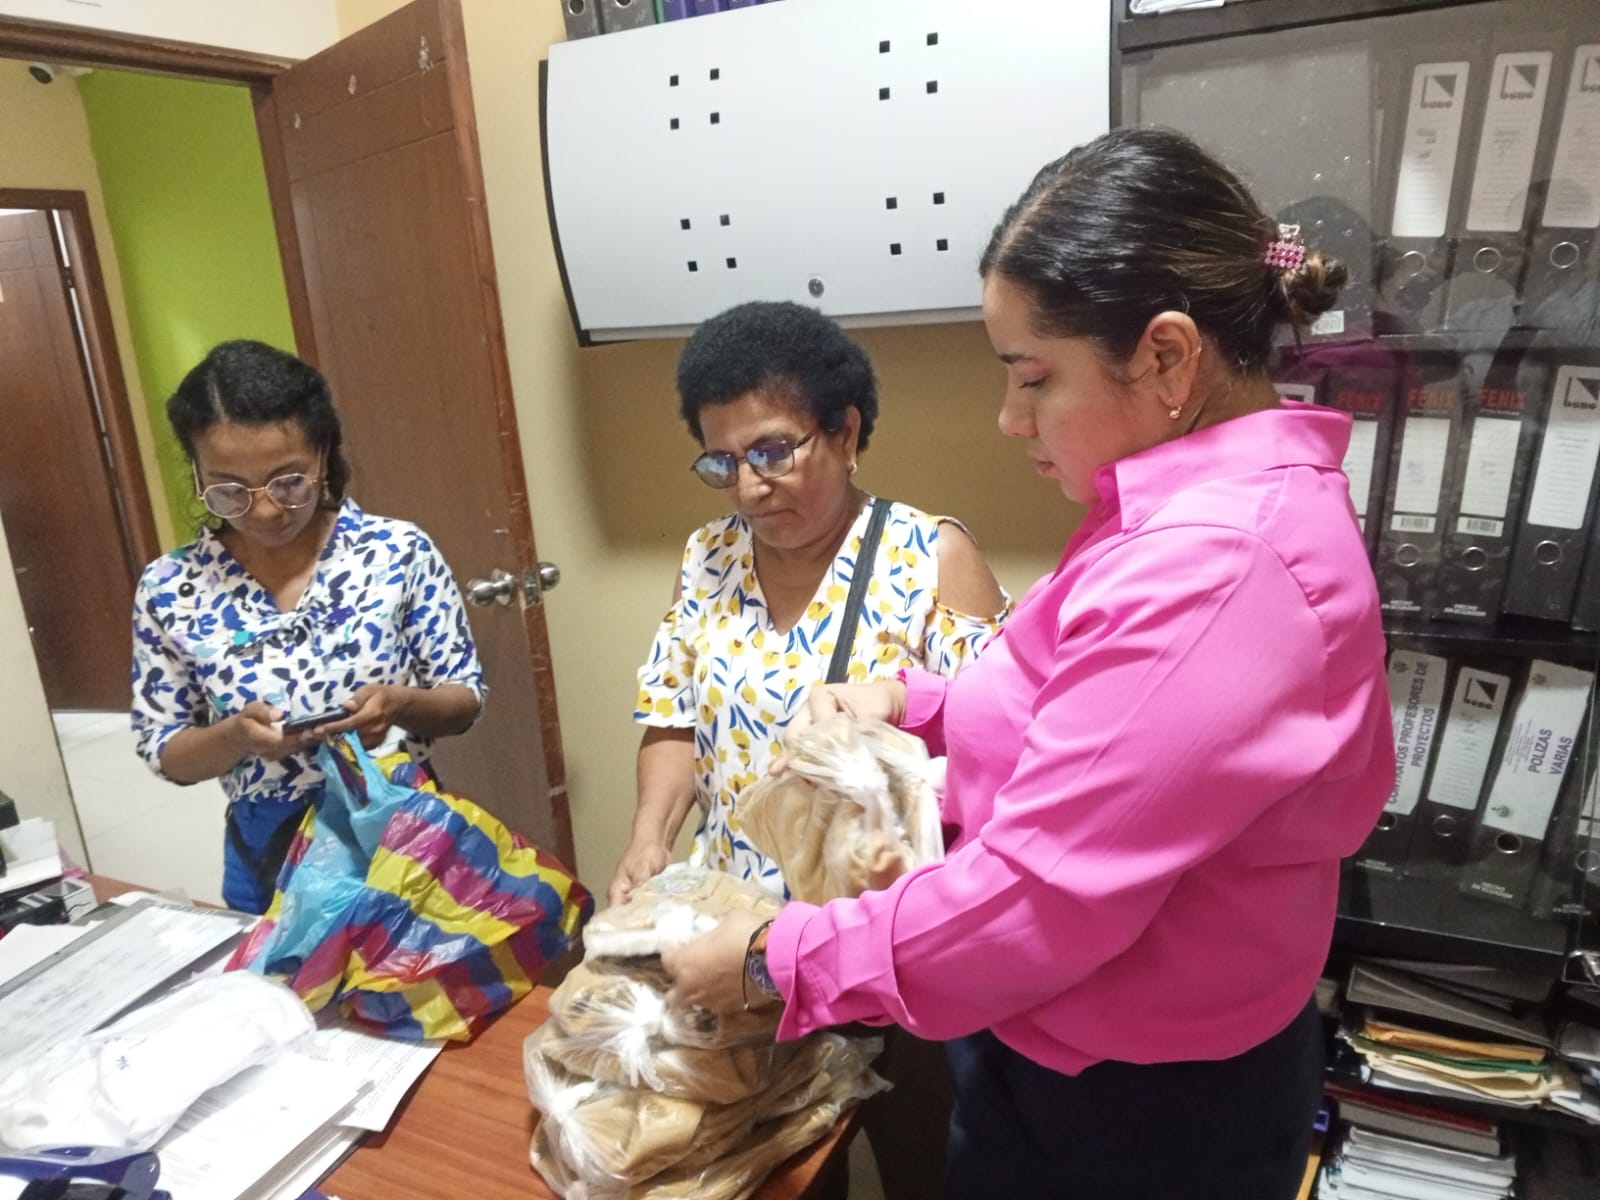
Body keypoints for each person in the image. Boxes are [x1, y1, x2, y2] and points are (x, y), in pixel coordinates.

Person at [662, 128, 1397, 1199]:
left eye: (1033, 378)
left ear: (1167, 357)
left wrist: (770, 959)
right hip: (1058, 1054)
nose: (1010, 421)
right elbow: (1082, 697)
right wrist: (912, 700)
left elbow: (1034, 902)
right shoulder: (1165, 509)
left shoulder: (1215, 568)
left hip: (1134, 1113)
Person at [613, 300, 1010, 1200]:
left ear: (846, 432)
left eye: (773, 451)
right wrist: (649, 837)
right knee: (781, 1167)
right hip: (738, 938)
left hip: (888, 942)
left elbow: (1000, 746)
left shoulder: (929, 555)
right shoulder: (708, 559)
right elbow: (674, 715)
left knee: (920, 1159)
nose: (750, 487)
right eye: (723, 462)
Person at [131, 340, 484, 915]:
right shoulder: (170, 587)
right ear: (196, 471)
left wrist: (399, 705)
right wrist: (237, 737)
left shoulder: (396, 552)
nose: (265, 510)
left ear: (322, 453)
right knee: (284, 974)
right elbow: (165, 749)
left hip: (402, 835)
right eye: (229, 490)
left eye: (288, 481)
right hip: (270, 853)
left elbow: (464, 699)